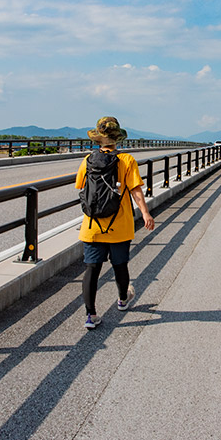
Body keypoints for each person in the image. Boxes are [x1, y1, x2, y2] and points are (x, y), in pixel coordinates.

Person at [76, 116, 155, 329]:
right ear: (117, 139)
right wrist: (146, 213)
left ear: (99, 139)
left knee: (92, 269)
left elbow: (80, 188)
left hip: (92, 226)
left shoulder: (87, 160)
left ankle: (91, 315)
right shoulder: (126, 160)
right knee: (120, 266)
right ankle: (122, 299)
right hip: (119, 224)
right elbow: (136, 190)